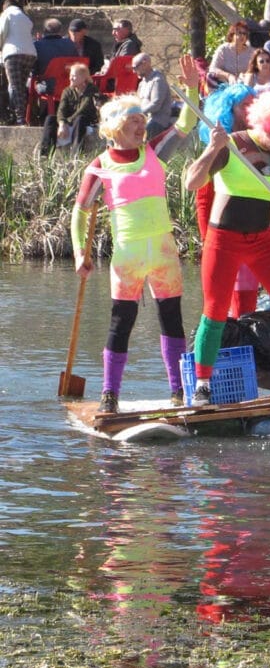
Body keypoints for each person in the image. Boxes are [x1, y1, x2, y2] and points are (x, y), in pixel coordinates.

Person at [70, 58, 201, 413]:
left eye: (142, 121)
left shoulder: (154, 151)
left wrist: (191, 88)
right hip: (127, 258)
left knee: (172, 319)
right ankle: (110, 395)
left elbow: (187, 123)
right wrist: (80, 252)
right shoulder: (99, 166)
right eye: (133, 122)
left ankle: (179, 392)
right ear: (114, 129)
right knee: (120, 322)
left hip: (163, 254)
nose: (141, 127)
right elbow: (80, 212)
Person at [184, 85, 270, 405]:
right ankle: (203, 385)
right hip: (223, 240)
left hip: (262, 240)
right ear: (267, 125)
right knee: (215, 311)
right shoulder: (233, 145)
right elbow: (192, 182)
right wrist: (211, 149)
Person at [42, 62, 101, 153]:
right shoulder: (67, 91)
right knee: (50, 118)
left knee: (80, 118)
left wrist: (67, 122)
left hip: (84, 122)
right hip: (68, 122)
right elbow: (61, 110)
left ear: (83, 77)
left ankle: (76, 154)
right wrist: (62, 123)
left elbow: (83, 109)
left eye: (74, 76)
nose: (70, 78)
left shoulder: (92, 90)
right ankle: (45, 154)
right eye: (70, 75)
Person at [1, 0, 37, 124]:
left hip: (13, 54)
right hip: (30, 54)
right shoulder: (25, 17)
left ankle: (19, 118)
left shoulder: (7, 14)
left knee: (15, 86)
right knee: (21, 86)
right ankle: (23, 116)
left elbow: (1, 33)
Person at [132, 54, 174, 139]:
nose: (134, 71)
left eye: (135, 67)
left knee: (138, 134)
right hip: (143, 119)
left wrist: (138, 112)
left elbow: (156, 105)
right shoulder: (142, 83)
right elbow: (137, 102)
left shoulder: (158, 80)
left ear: (145, 63)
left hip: (157, 121)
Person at [208, 21, 254, 88]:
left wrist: (245, 75)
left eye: (245, 34)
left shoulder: (251, 52)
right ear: (232, 35)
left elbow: (255, 70)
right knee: (210, 77)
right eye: (239, 33)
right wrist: (228, 75)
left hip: (244, 85)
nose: (242, 36)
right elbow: (213, 68)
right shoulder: (223, 49)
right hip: (224, 84)